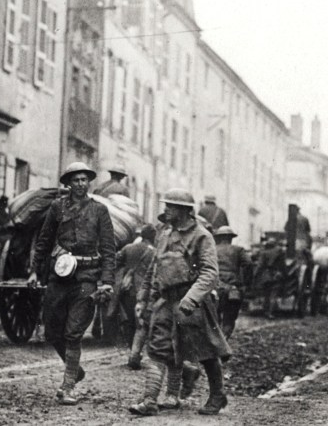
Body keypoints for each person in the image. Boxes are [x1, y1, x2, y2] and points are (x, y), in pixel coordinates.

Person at [129, 188, 231, 416]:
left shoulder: (201, 236)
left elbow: (210, 273)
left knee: (205, 351)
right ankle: (149, 401)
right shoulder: (165, 234)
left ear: (184, 210)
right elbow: (154, 269)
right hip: (166, 300)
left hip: (192, 303)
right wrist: (143, 298)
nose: (166, 210)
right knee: (157, 349)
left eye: (170, 206)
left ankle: (217, 395)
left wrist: (191, 298)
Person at [29, 162, 116, 405]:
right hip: (59, 275)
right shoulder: (57, 207)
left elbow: (108, 249)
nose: (80, 184)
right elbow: (44, 241)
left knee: (73, 332)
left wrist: (106, 281)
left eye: (84, 180)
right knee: (52, 331)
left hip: (87, 276)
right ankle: (75, 370)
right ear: (68, 183)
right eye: (75, 180)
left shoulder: (99, 210)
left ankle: (67, 386)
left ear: (89, 182)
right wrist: (34, 272)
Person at [110, 224, 157, 369]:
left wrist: (126, 272)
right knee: (142, 323)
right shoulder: (154, 252)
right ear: (153, 237)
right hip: (144, 292)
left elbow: (115, 262)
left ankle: (133, 351)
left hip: (127, 290)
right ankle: (139, 354)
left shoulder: (128, 248)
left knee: (129, 322)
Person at [213, 226, 252, 339]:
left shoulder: (212, 249)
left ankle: (216, 341)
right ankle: (224, 339)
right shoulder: (238, 250)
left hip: (214, 286)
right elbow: (249, 264)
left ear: (218, 238)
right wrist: (246, 282)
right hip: (233, 288)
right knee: (229, 318)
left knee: (214, 316)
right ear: (231, 238)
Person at [255, 237, 286, 319]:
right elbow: (283, 265)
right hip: (277, 275)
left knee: (266, 295)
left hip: (266, 276)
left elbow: (260, 266)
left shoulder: (264, 253)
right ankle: (271, 313)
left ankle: (266, 311)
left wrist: (255, 274)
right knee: (273, 295)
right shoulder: (280, 252)